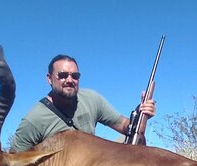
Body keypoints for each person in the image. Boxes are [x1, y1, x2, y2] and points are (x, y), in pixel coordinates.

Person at [10, 54, 156, 152]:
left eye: (75, 76)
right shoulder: (34, 119)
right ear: (49, 78)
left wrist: (142, 114)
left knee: (133, 141)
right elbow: (14, 161)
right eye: (62, 75)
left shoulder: (91, 98)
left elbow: (126, 127)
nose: (69, 80)